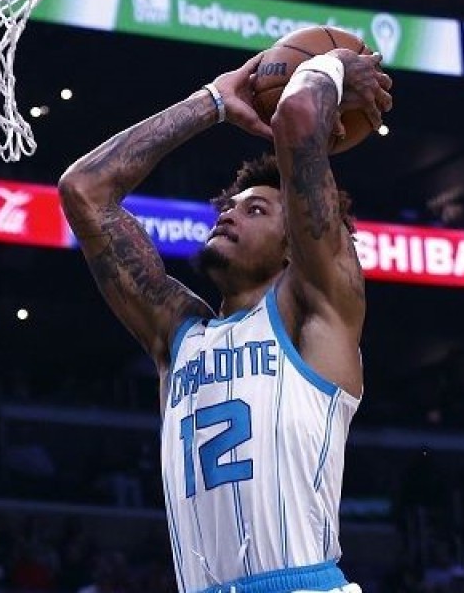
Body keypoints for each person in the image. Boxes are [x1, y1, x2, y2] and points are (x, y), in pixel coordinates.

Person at [59, 46, 393, 593]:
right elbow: (85, 192)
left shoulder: (315, 308)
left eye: (255, 208)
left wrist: (330, 64)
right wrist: (212, 101)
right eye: (227, 206)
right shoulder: (177, 334)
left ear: (294, 245)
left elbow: (300, 119)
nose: (230, 212)